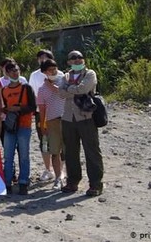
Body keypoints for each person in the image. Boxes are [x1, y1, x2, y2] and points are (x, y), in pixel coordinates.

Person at [58, 50, 104, 197]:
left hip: (86, 117)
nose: (77, 60)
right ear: (68, 62)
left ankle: (96, 184)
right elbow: (60, 92)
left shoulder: (90, 74)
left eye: (79, 57)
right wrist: (75, 90)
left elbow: (84, 89)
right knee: (70, 152)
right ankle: (73, 181)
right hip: (68, 119)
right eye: (73, 58)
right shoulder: (65, 76)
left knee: (92, 151)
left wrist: (70, 89)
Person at [1, 62, 36, 195]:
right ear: (7, 74)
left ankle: (23, 182)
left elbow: (33, 107)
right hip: (10, 127)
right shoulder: (4, 90)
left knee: (24, 156)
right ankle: (7, 183)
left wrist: (19, 109)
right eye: (12, 71)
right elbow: (4, 107)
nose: (15, 73)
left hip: (24, 126)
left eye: (17, 70)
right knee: (8, 156)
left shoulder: (27, 88)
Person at [36, 58, 65, 189]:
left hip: (68, 119)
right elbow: (42, 110)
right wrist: (42, 126)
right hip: (52, 121)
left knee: (69, 150)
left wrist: (51, 86)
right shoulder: (41, 90)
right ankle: (58, 177)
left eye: (55, 69)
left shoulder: (64, 80)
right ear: (44, 72)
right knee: (55, 151)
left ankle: (70, 176)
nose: (54, 72)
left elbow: (63, 94)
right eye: (50, 70)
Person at [29, 49, 57, 182]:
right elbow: (32, 93)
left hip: (58, 113)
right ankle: (48, 169)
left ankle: (60, 169)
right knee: (44, 140)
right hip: (41, 113)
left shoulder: (60, 74)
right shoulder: (34, 75)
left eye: (46, 57)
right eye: (40, 58)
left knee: (60, 141)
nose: (43, 60)